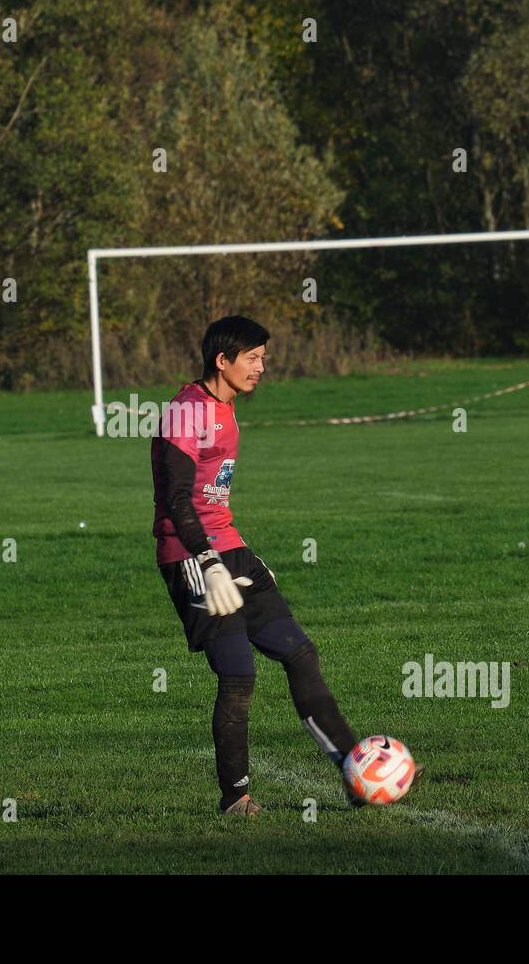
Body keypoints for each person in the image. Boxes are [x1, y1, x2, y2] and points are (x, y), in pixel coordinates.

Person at [151, 315, 420, 814]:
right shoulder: (187, 410)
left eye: (263, 358)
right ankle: (236, 799)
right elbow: (175, 497)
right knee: (238, 675)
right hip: (190, 554)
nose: (261, 367)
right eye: (253, 358)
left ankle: (353, 773)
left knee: (299, 652)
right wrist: (209, 561)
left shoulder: (224, 409)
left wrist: (237, 553)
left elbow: (213, 500)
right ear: (222, 360)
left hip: (227, 547)